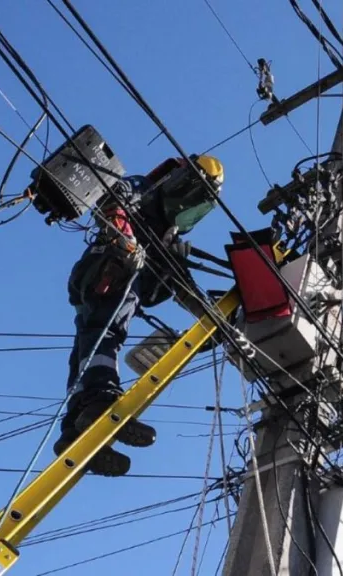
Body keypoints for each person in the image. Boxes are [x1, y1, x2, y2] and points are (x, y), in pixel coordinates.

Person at [53, 154, 225, 476]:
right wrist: (126, 238)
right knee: (108, 329)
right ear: (181, 180)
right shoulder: (144, 189)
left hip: (103, 284)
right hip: (106, 270)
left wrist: (212, 318)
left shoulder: (169, 238)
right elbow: (112, 199)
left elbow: (181, 285)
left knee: (86, 347)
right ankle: (101, 397)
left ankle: (76, 429)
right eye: (192, 192)